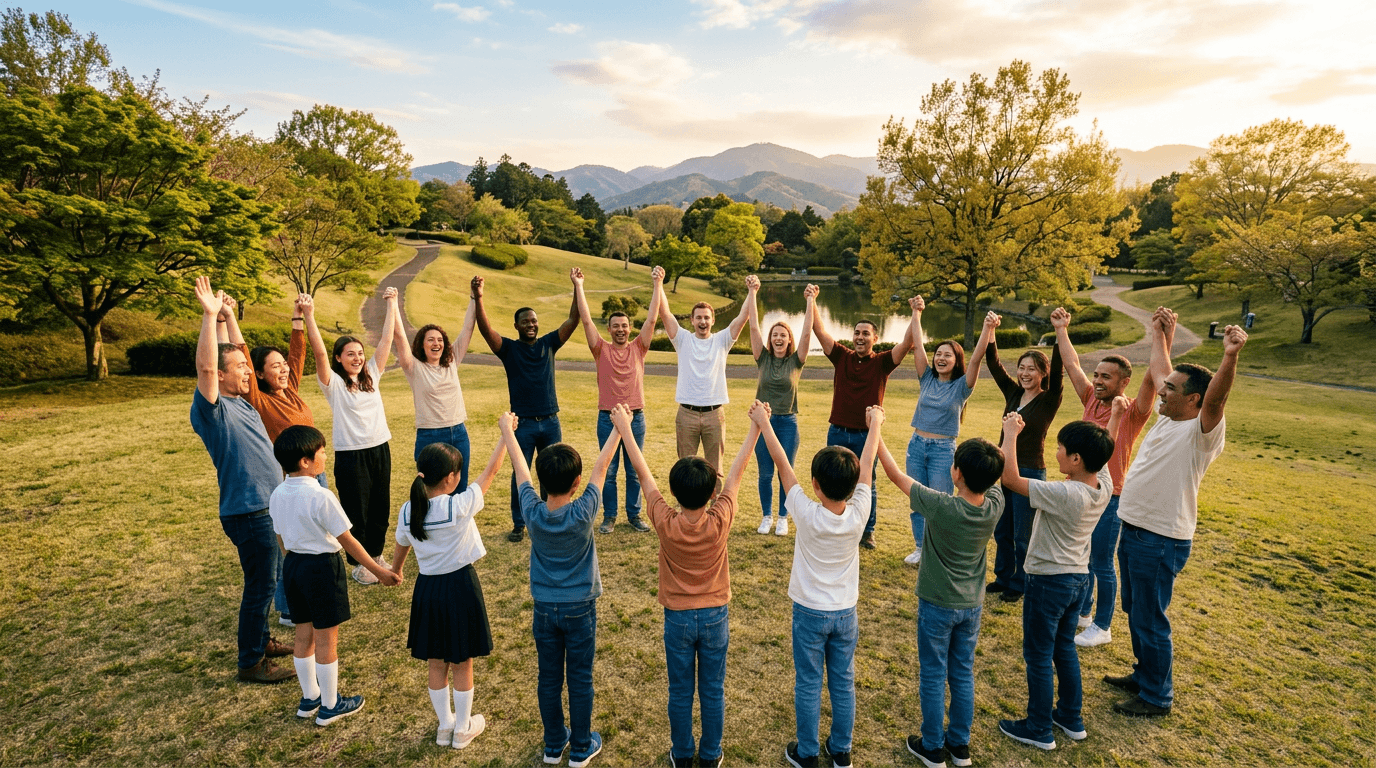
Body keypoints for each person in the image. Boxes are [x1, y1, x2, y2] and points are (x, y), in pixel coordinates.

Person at [1104, 310, 1246, 718]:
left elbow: (1217, 397)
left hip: (1160, 537)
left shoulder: (1201, 430)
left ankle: (1156, 696)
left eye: (1169, 390)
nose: (1160, 393)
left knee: (1150, 618)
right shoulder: (1170, 414)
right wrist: (1159, 333)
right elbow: (1160, 368)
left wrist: (1230, 356)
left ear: (1193, 400)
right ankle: (1143, 673)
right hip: (1133, 528)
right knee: (1136, 609)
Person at [610, 402, 760, 768]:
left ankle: (682, 753)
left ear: (674, 494)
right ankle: (710, 755)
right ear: (712, 493)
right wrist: (756, 428)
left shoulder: (665, 520)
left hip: (677, 618)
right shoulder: (721, 517)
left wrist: (625, 430)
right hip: (714, 617)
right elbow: (737, 473)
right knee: (712, 690)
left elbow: (645, 479)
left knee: (680, 692)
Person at [753, 401, 882, 768]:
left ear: (814, 484)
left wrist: (764, 423)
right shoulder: (860, 513)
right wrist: (875, 424)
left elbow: (782, 464)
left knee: (808, 682)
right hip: (845, 613)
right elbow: (868, 463)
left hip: (809, 612)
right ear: (854, 485)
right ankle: (841, 751)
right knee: (843, 681)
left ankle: (807, 752)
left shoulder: (805, 513)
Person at [873, 428, 1005, 768]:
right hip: (971, 606)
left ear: (956, 472)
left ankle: (932, 746)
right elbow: (1000, 474)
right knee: (962, 672)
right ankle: (960, 746)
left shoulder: (941, 506)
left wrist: (877, 431)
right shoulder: (994, 505)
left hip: (936, 604)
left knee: (932, 673)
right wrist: (1013, 435)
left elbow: (894, 475)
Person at [188, 276, 296, 685]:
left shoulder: (244, 401)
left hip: (266, 507)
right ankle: (251, 661)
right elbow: (207, 365)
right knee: (260, 585)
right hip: (248, 511)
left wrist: (226, 318)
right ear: (220, 375)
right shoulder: (213, 410)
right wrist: (208, 315)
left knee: (267, 581)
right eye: (240, 370)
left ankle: (262, 640)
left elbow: (230, 355)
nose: (249, 372)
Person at [500, 415, 623, 768]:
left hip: (544, 610)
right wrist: (618, 428)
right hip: (580, 609)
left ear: (542, 482)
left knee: (549, 678)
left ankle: (554, 745)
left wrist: (508, 431)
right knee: (580, 679)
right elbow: (602, 467)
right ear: (577, 483)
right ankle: (581, 747)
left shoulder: (532, 511)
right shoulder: (584, 512)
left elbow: (520, 469)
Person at [1049, 306, 1171, 647]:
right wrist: (1061, 329)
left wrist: (1161, 334)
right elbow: (1072, 365)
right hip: (1082, 493)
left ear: (1123, 382)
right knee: (1083, 555)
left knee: (1102, 562)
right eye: (1098, 375)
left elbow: (1155, 375)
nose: (1098, 381)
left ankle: (1103, 626)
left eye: (1106, 377)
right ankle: (1084, 612)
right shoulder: (1090, 399)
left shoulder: (1134, 410)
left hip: (1111, 496)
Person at [996, 415, 1115, 751]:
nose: (1056, 453)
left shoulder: (1064, 493)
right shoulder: (1101, 487)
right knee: (1063, 648)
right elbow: (1106, 454)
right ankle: (1070, 718)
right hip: (1077, 580)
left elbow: (1011, 479)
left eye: (1061, 449)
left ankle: (1038, 727)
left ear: (1076, 459)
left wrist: (1010, 434)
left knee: (1038, 654)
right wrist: (1115, 419)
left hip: (1048, 582)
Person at [268, 425, 400, 726]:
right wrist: (379, 571)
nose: (325, 456)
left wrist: (293, 563)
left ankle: (310, 698)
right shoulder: (322, 496)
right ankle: (330, 705)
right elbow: (348, 541)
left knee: (304, 635)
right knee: (327, 640)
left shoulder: (277, 494)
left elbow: (280, 538)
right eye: (322, 452)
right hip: (322, 569)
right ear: (305, 461)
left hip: (294, 567)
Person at [388, 423, 510, 749]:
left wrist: (396, 570)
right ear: (451, 478)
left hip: (427, 591)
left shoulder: (407, 510)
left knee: (436, 661)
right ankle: (463, 728)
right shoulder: (458, 506)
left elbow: (401, 545)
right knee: (462, 661)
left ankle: (445, 726)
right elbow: (492, 471)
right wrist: (504, 434)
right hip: (460, 587)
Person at [217, 291, 324, 631]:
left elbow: (298, 353)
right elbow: (244, 354)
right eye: (274, 366)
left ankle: (308, 596)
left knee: (313, 540)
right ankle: (288, 608)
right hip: (289, 479)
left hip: (315, 474)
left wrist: (298, 317)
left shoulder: (290, 389)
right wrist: (229, 319)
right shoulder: (258, 401)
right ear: (258, 374)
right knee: (289, 545)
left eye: (283, 365)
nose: (283, 369)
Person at [473, 271, 581, 543]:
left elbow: (573, 319)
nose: (531, 325)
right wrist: (479, 298)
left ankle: (550, 516)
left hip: (550, 420)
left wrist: (576, 287)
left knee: (553, 472)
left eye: (534, 321)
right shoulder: (509, 349)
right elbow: (486, 331)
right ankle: (519, 523)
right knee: (520, 472)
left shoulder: (548, 344)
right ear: (517, 326)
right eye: (525, 322)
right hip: (523, 424)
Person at [810, 291, 919, 550]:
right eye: (857, 333)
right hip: (837, 431)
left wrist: (916, 312)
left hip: (867, 435)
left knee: (866, 483)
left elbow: (907, 342)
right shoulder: (841, 356)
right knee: (832, 479)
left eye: (865, 334)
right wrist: (812, 299)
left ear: (875, 338)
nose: (860, 337)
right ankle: (833, 524)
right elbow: (819, 329)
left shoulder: (882, 363)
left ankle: (867, 532)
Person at [307, 286, 398, 585]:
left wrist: (392, 304)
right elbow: (319, 352)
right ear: (339, 358)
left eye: (360, 353)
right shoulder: (332, 383)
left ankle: (376, 555)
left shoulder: (372, 375)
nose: (357, 358)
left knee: (379, 507)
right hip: (351, 454)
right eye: (350, 354)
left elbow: (386, 339)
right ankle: (360, 564)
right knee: (355, 510)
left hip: (379, 449)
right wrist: (309, 315)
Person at [572, 266, 664, 535]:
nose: (621, 330)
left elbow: (652, 320)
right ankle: (610, 516)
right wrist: (579, 285)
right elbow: (587, 322)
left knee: (635, 470)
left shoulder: (639, 347)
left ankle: (634, 515)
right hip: (608, 418)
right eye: (616, 326)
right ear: (609, 329)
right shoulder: (600, 350)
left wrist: (658, 284)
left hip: (635, 418)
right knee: (609, 471)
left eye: (625, 326)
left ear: (629, 328)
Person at [903, 305, 997, 565]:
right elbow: (919, 345)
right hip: (917, 446)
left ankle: (938, 550)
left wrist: (988, 330)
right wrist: (916, 312)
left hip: (943, 450)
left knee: (941, 504)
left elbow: (977, 358)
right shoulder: (927, 379)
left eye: (948, 355)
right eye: (939, 354)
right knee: (918, 501)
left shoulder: (961, 387)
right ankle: (921, 548)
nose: (940, 358)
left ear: (957, 361)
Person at [985, 332, 1064, 602]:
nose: (1025, 373)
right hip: (1002, 469)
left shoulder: (1049, 398)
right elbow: (994, 365)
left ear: (1043, 373)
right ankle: (1003, 577)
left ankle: (1019, 584)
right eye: (1022, 368)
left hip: (1029, 471)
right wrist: (991, 331)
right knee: (1002, 529)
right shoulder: (1014, 392)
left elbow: (1061, 368)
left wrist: (1060, 334)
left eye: (1032, 369)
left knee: (1022, 534)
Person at [658, 274, 759, 472]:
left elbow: (743, 316)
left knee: (715, 469)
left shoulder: (722, 340)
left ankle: (714, 504)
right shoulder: (682, 339)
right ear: (692, 320)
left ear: (712, 320)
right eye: (699, 317)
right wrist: (659, 283)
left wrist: (752, 291)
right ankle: (685, 504)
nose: (702, 321)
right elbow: (665, 312)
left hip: (715, 414)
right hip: (686, 414)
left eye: (706, 317)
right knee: (685, 468)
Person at [748, 283, 815, 536]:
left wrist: (810, 300)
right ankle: (766, 516)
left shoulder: (796, 361)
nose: (778, 338)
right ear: (770, 339)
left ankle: (783, 517)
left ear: (789, 340)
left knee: (785, 472)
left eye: (783, 335)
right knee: (765, 473)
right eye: (774, 334)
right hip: (762, 423)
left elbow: (808, 333)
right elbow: (753, 326)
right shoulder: (762, 358)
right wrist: (753, 293)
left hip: (787, 423)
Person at [391, 292, 477, 487]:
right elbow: (399, 336)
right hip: (430, 435)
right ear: (422, 344)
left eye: (439, 339)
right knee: (430, 489)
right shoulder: (414, 367)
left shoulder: (452, 361)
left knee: (460, 487)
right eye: (430, 339)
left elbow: (468, 328)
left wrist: (473, 298)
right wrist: (394, 305)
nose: (436, 343)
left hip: (459, 433)